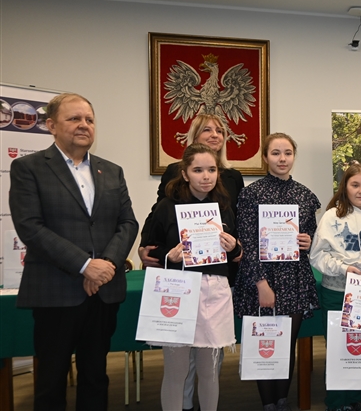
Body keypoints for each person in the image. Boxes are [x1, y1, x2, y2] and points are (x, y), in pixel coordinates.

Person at [8, 93, 138, 410]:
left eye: (89, 119)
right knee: (51, 382)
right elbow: (30, 227)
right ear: (51, 125)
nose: (84, 125)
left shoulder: (112, 171)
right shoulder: (28, 168)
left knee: (96, 377)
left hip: (103, 292)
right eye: (74, 118)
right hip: (55, 292)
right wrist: (84, 265)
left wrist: (106, 264)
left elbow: (127, 223)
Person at [139, 113, 244, 411]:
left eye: (211, 170)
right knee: (176, 371)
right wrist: (167, 255)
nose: (206, 176)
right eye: (198, 170)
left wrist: (234, 246)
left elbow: (236, 250)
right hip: (178, 289)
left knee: (210, 371)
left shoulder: (224, 206)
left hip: (214, 291)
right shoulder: (166, 206)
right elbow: (150, 248)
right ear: (184, 173)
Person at [232, 132, 321, 411]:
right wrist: (261, 284)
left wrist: (307, 240)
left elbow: (311, 235)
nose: (282, 159)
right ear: (265, 157)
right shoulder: (251, 194)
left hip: (294, 279)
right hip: (262, 279)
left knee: (286, 345)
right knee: (265, 344)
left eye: (288, 153)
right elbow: (247, 243)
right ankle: (268, 404)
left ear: (294, 156)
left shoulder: (305, 195)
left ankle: (282, 402)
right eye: (276, 153)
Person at [310, 163, 361, 411]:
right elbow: (317, 256)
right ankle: (336, 403)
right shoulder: (331, 217)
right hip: (337, 292)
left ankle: (354, 399)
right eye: (355, 185)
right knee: (339, 349)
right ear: (344, 186)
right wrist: (344, 269)